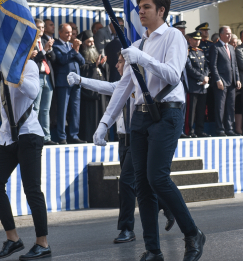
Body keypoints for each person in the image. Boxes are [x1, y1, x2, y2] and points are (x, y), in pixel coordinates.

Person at [93, 0, 205, 261]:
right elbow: (123, 87)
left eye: (146, 7)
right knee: (141, 185)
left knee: (157, 176)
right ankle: (153, 249)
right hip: (141, 115)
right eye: (139, 7)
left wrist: (143, 59)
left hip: (167, 112)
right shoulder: (139, 43)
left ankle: (192, 233)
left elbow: (173, 73)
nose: (140, 11)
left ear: (161, 11)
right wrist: (104, 122)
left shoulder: (173, 37)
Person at [67, 52, 175, 244]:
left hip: (138, 139)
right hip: (123, 141)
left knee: (126, 182)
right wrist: (81, 80)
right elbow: (105, 87)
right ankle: (167, 206)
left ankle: (127, 228)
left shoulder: (140, 85)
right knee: (142, 183)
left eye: (120, 62)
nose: (116, 65)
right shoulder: (123, 85)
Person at [0, 60, 51, 260]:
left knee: (32, 190)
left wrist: (13, 72)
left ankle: (43, 243)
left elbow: (32, 92)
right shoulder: (0, 68)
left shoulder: (28, 65)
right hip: (8, 137)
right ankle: (13, 239)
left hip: (29, 134)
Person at [53, 23, 86, 144]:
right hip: (63, 82)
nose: (69, 35)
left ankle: (74, 135)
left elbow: (82, 61)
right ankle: (62, 136)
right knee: (63, 109)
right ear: (60, 33)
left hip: (76, 82)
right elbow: (62, 60)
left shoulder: (72, 45)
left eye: (71, 33)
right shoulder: (57, 45)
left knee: (75, 109)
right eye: (67, 33)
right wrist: (74, 50)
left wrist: (76, 50)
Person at [210, 26, 241, 137]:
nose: (229, 36)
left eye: (230, 33)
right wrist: (218, 79)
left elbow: (235, 65)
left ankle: (229, 128)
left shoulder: (232, 48)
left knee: (230, 106)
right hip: (221, 82)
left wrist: (237, 79)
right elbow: (213, 66)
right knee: (220, 107)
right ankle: (220, 129)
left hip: (231, 81)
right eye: (227, 33)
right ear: (221, 35)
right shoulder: (215, 47)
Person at [31, 19, 58, 146]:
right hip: (36, 77)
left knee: (45, 109)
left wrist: (49, 49)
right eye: (38, 27)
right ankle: (35, 136)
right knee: (35, 108)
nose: (41, 30)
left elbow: (54, 59)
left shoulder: (43, 42)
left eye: (42, 27)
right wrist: (43, 51)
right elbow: (34, 60)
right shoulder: (30, 41)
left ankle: (46, 137)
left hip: (47, 77)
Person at [78, 31, 107, 142]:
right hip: (89, 100)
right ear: (84, 44)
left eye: (93, 41)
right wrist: (93, 67)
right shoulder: (81, 57)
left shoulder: (96, 56)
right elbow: (83, 72)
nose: (92, 44)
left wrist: (102, 65)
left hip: (100, 98)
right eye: (89, 42)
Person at [186, 31, 211, 138]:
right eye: (195, 39)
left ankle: (200, 130)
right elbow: (189, 69)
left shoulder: (201, 52)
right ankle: (190, 131)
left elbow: (206, 66)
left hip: (202, 86)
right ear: (190, 40)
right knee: (191, 111)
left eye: (199, 39)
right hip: (193, 86)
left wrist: (206, 76)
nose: (197, 41)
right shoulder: (188, 52)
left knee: (201, 111)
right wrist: (201, 77)